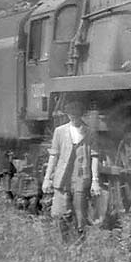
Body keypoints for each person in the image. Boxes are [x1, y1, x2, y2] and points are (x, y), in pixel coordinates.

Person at [41, 97, 102, 243]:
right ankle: (65, 242)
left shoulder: (90, 132)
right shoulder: (60, 132)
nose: (74, 116)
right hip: (63, 177)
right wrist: (47, 178)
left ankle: (80, 243)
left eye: (77, 113)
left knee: (80, 213)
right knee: (60, 212)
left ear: (81, 114)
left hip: (80, 177)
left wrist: (95, 181)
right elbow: (54, 156)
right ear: (67, 114)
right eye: (71, 114)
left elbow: (94, 156)